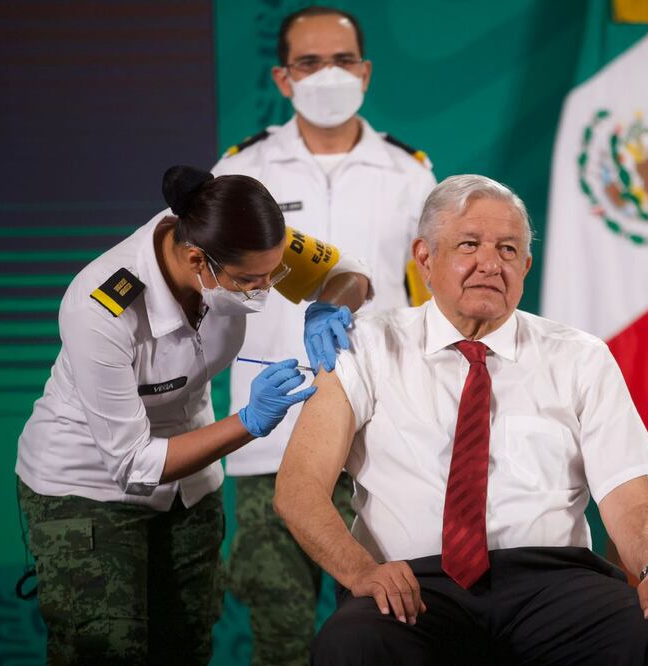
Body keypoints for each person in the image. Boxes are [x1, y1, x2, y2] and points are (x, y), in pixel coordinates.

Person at [275, 175, 648, 665]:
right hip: (413, 586)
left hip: (555, 584)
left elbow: (630, 500)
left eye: (508, 250)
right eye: (469, 245)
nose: (490, 264)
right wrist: (361, 573)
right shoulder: (364, 346)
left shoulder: (581, 357)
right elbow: (299, 488)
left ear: (525, 266)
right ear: (425, 258)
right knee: (354, 645)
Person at [15, 166, 369, 665]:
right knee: (105, 651)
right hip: (87, 485)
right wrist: (248, 421)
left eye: (274, 276)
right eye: (249, 281)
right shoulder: (101, 308)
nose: (265, 291)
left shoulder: (245, 234)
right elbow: (133, 464)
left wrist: (329, 306)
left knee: (186, 645)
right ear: (198, 260)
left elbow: (350, 274)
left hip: (190, 485)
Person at [211, 6, 437, 662]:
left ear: (365, 72)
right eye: (309, 63)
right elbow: (208, 286)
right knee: (280, 635)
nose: (328, 75)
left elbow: (428, 303)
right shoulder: (243, 171)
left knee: (393, 625)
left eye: (342, 61)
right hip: (271, 433)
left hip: (384, 438)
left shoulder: (411, 174)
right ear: (283, 79)